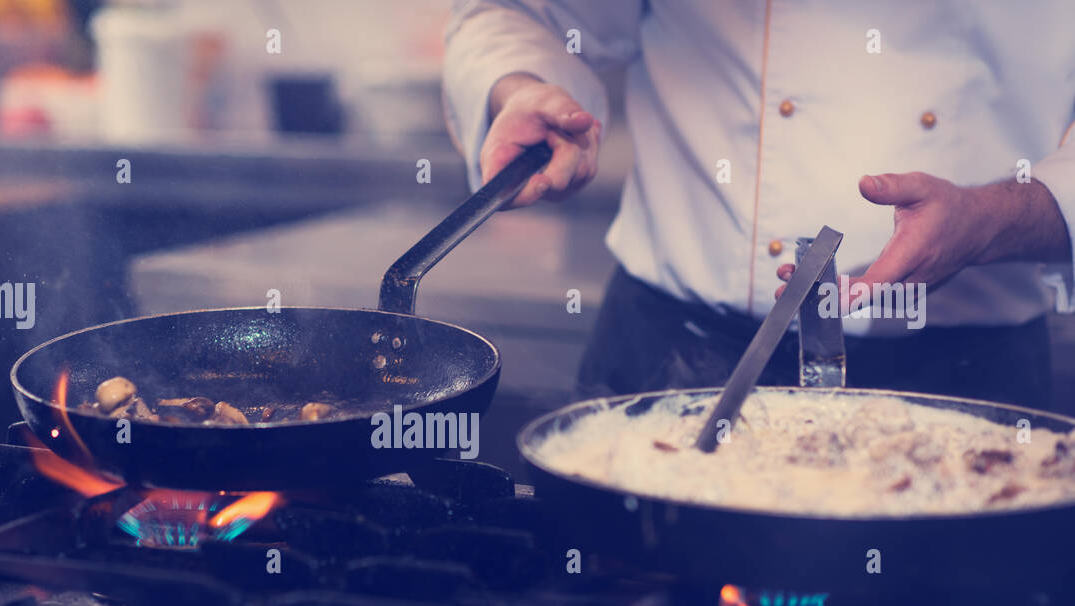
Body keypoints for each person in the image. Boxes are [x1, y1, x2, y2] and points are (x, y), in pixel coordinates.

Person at [443, 1, 1075, 408]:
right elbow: (523, 12)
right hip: (669, 360)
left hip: (958, 383)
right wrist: (520, 84)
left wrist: (1000, 218)